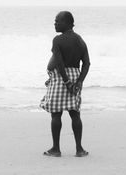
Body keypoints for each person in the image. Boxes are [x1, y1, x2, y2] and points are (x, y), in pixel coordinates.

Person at [40, 11, 90, 157]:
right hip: (75, 75)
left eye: (57, 21)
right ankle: (79, 150)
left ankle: (56, 149)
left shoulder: (57, 40)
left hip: (61, 77)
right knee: (75, 114)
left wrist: (66, 81)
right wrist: (79, 81)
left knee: (56, 114)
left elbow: (59, 62)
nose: (55, 24)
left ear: (67, 23)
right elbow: (86, 63)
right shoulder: (80, 40)